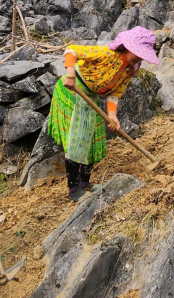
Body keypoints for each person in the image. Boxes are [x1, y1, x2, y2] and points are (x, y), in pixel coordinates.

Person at [48, 26, 160, 201]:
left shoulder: (130, 69)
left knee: (95, 138)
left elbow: (115, 93)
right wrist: (70, 74)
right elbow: (71, 51)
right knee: (79, 137)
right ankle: (73, 190)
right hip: (73, 90)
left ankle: (85, 183)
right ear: (127, 47)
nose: (138, 58)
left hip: (91, 95)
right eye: (136, 53)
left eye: (141, 55)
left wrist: (112, 115)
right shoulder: (106, 53)